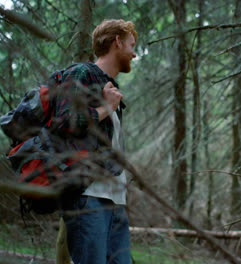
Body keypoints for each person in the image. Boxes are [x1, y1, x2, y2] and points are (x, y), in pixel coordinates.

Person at [51, 19, 138, 264]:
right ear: (117, 42)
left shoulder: (111, 86)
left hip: (115, 200)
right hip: (88, 197)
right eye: (131, 45)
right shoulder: (82, 73)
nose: (134, 52)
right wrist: (105, 108)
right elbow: (63, 123)